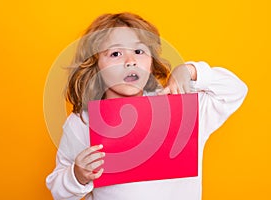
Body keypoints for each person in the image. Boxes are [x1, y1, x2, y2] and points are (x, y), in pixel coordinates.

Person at [46, 12, 248, 200]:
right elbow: (58, 190)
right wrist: (77, 175)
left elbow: (235, 90)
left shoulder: (180, 108)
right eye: (116, 53)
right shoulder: (83, 121)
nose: (130, 61)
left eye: (139, 51)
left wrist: (190, 71)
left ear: (151, 61)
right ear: (94, 64)